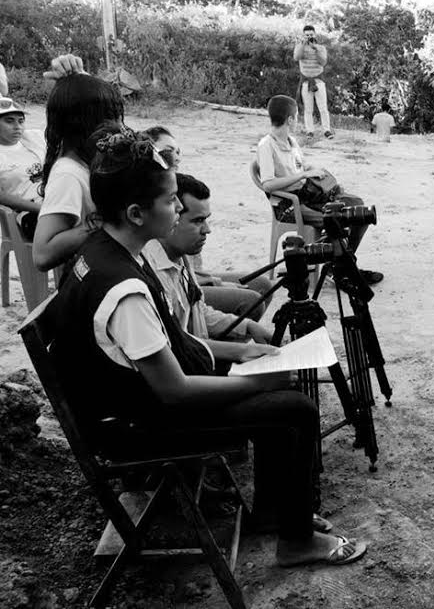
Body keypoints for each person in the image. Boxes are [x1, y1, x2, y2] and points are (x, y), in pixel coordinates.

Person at [50, 128, 367, 566]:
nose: (179, 208)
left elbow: (172, 341)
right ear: (136, 213)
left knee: (279, 396)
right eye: (170, 201)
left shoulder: (109, 250)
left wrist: (240, 354)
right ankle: (296, 541)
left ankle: (274, 514)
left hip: (128, 404)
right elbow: (175, 391)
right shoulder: (124, 289)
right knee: (294, 410)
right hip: (133, 427)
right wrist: (256, 383)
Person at [143, 125, 272, 320]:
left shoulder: (185, 188)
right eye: (167, 152)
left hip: (192, 278)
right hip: (178, 284)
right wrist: (217, 283)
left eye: (178, 152)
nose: (175, 158)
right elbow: (169, 272)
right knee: (250, 300)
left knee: (262, 285)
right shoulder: (157, 209)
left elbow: (191, 269)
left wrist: (213, 281)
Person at [141, 173, 275, 358]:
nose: (207, 229)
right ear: (171, 217)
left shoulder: (180, 255)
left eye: (206, 219)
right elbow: (176, 344)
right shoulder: (152, 274)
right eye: (197, 221)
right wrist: (239, 352)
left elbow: (199, 309)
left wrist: (247, 326)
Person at [256, 95, 382, 284]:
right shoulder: (266, 145)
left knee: (360, 211)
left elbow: (302, 165)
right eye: (296, 117)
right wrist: (302, 176)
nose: (297, 120)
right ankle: (344, 271)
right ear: (290, 119)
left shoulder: (291, 141)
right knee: (339, 219)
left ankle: (338, 267)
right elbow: (267, 184)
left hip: (310, 195)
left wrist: (315, 172)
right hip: (291, 204)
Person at [32, 73, 125, 271]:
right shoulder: (68, 175)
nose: (119, 126)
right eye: (112, 117)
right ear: (87, 123)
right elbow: (42, 253)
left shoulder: (88, 162)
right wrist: (103, 222)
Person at [0, 96, 45, 239]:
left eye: (21, 121)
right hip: (27, 212)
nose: (17, 127)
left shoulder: (33, 138)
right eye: (9, 121)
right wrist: (41, 208)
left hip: (53, 200)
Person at [293, 25, 333, 139]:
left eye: (311, 34)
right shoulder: (299, 46)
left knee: (323, 108)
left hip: (318, 80)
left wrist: (316, 49)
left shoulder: (321, 47)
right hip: (306, 80)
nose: (309, 37)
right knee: (308, 109)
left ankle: (327, 130)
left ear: (315, 35)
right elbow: (297, 57)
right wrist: (302, 44)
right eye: (307, 35)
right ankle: (309, 131)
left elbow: (323, 62)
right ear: (303, 35)